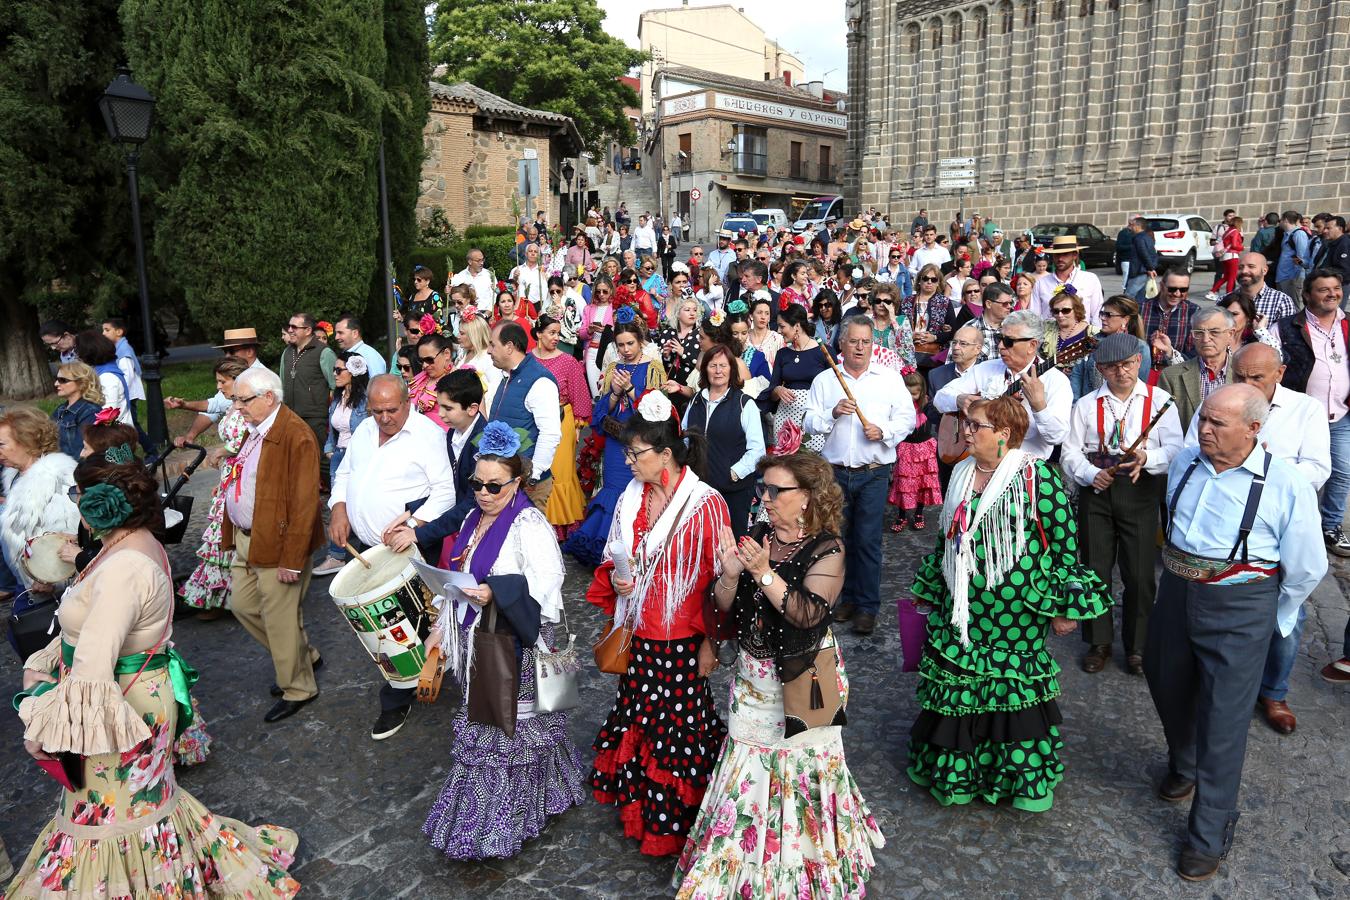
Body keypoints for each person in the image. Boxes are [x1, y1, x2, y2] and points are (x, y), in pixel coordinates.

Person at [9, 455, 300, 898]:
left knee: (107, 815)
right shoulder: (126, 544)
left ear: (97, 505)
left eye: (77, 495)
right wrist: (48, 659)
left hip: (118, 702)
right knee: (137, 806)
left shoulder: (126, 566)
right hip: (131, 692)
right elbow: (90, 632)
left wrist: (43, 719)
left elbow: (92, 667)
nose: (75, 504)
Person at [675, 451, 884, 898]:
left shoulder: (828, 547)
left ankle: (804, 868)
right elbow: (724, 605)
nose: (766, 498)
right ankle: (739, 868)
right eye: (763, 489)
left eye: (776, 491)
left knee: (806, 771)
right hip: (753, 680)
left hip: (807, 677)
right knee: (746, 770)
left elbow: (809, 614)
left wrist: (763, 572)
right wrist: (730, 574)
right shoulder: (757, 536)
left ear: (805, 497)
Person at [1145, 384, 1326, 881]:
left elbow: (1308, 567)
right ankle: (1183, 763)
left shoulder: (1286, 483)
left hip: (1243, 603)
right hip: (1178, 592)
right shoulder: (1184, 463)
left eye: (1217, 424)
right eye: (1204, 419)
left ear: (1253, 429)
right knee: (1165, 684)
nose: (1204, 429)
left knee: (1224, 721)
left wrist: (1274, 613)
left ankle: (1209, 832)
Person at [908, 396, 1110, 811]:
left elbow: (1065, 547)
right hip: (963, 607)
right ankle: (959, 775)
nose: (966, 431)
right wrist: (931, 586)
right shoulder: (962, 472)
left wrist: (1063, 608)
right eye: (967, 423)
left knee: (1011, 693)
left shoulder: (1037, 477)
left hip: (1015, 613)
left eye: (976, 426)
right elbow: (947, 535)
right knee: (960, 688)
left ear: (1005, 434)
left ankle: (1014, 780)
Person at [419, 423, 586, 859]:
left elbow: (550, 579)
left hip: (513, 645)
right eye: (477, 484)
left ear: (517, 483)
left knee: (505, 731)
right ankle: (541, 797)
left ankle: (497, 823)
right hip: (480, 639)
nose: (484, 493)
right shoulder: (474, 517)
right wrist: (443, 624)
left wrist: (498, 591)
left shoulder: (528, 523)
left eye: (495, 486)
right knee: (502, 728)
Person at [586, 393, 730, 857]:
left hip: (682, 639)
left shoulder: (705, 504)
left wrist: (711, 645)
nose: (627, 461)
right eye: (627, 453)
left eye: (635, 453)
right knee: (641, 718)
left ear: (665, 454)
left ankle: (675, 816)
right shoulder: (632, 496)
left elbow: (715, 581)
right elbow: (612, 552)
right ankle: (640, 802)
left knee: (678, 727)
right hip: (639, 633)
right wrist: (617, 577)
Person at [1180, 342, 1329, 735]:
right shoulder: (1219, 403)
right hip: (1220, 519)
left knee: (1286, 616)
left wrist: (1263, 472)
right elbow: (1189, 453)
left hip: (1277, 523)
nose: (1246, 383)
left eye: (1256, 377)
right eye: (1239, 376)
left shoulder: (1305, 410)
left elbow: (1317, 467)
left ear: (1279, 374)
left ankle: (1274, 692)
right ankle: (1215, 692)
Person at [329, 374, 456, 739]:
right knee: (385, 629)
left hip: (409, 548)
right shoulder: (366, 430)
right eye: (377, 410)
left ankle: (409, 691)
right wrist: (339, 508)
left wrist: (413, 524)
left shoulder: (428, 437)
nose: (383, 418)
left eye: (391, 410)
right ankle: (408, 685)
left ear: (408, 402)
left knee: (408, 624)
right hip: (370, 545)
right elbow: (347, 472)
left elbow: (445, 493)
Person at [1061, 333, 1183, 676]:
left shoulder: (1161, 402)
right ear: (1100, 369)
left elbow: (1176, 449)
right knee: (1096, 570)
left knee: (1141, 575)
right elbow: (1069, 450)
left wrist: (1148, 456)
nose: (1123, 372)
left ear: (1139, 362)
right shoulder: (1085, 404)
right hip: (1097, 492)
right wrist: (1088, 474)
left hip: (1140, 491)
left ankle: (1138, 646)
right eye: (1113, 367)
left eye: (1128, 364)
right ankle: (1098, 642)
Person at [217, 368, 325, 723]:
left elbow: (305, 504)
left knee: (280, 621)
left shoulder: (296, 435)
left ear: (269, 397)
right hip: (251, 539)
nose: (237, 408)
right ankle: (300, 655)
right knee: (243, 605)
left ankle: (298, 687)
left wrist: (292, 560)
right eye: (234, 400)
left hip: (277, 545)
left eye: (243, 400)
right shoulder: (258, 428)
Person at [803, 316, 916, 635]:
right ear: (841, 344)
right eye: (853, 341)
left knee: (867, 540)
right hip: (835, 474)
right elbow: (809, 422)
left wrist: (885, 431)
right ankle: (845, 599)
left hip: (874, 472)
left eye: (866, 341)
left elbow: (907, 418)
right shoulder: (826, 380)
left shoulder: (889, 379)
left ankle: (867, 606)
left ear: (873, 344)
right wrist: (832, 413)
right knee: (837, 541)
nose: (860, 347)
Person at [565, 317, 666, 566]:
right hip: (615, 443)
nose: (625, 350)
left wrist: (631, 389)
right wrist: (615, 394)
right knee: (613, 492)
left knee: (639, 493)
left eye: (630, 343)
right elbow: (601, 413)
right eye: (620, 345)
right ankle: (608, 550)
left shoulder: (653, 368)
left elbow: (657, 411)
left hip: (641, 443)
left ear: (641, 342)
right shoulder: (613, 369)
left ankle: (635, 549)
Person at [1272, 269, 1350, 556]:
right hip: (1301, 416)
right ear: (1306, 295)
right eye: (1324, 289)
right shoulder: (1285, 327)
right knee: (1301, 473)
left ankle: (1330, 526)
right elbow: (1271, 366)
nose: (1332, 294)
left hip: (1341, 413)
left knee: (1342, 474)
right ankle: (1298, 526)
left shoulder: (1347, 324)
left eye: (1336, 288)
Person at [934, 310, 1073, 460]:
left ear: (1032, 345)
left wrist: (1039, 406)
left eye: (1008, 341)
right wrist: (959, 400)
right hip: (978, 462)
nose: (1000, 346)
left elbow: (1057, 437)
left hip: (1025, 468)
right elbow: (940, 398)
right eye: (1000, 338)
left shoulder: (1056, 381)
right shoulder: (986, 368)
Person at [178, 358, 252, 615]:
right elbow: (210, 410)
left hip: (245, 476)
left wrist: (223, 450)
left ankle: (241, 595)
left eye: (223, 381)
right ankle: (219, 595)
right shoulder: (232, 405)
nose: (219, 387)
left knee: (233, 535)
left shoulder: (251, 406)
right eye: (218, 381)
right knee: (221, 535)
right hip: (229, 475)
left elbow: (251, 440)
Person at [0, 408, 80, 616]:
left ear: (27, 442)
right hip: (30, 583)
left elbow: (68, 537)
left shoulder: (55, 479)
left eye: (2, 444)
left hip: (55, 593)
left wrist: (51, 580)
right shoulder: (18, 476)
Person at [683, 345, 765, 538]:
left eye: (723, 365)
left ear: (732, 370)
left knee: (730, 541)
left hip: (733, 491)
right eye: (713, 366)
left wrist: (734, 473)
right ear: (705, 370)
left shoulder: (744, 403)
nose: (718, 371)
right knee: (699, 539)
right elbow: (685, 440)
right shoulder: (695, 400)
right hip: (698, 488)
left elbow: (757, 450)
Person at [486, 322, 561, 508]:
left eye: (492, 345)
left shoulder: (540, 381)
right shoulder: (506, 376)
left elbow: (550, 434)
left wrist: (532, 477)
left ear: (509, 347)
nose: (488, 351)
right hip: (505, 479)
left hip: (526, 484)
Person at [531, 315, 593, 539]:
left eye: (558, 333)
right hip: (535, 421)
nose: (557, 337)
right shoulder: (528, 360)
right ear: (539, 333)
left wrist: (578, 426)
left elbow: (580, 394)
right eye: (552, 333)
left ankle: (561, 523)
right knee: (538, 468)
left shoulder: (568, 361)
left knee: (560, 470)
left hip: (562, 419)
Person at [312, 353, 372, 576]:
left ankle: (338, 553)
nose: (334, 374)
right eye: (334, 370)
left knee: (350, 504)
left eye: (339, 370)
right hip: (338, 455)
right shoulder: (337, 398)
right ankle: (337, 554)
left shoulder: (365, 400)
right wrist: (329, 448)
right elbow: (333, 426)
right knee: (337, 504)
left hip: (356, 456)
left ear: (353, 373)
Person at [166, 327, 272, 447]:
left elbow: (259, 431)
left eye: (231, 351)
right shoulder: (235, 379)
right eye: (225, 351)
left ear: (250, 351)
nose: (227, 356)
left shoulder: (262, 380)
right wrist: (190, 436)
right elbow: (216, 406)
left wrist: (222, 452)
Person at [1158, 307, 1236, 432]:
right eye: (1199, 333)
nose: (1205, 339)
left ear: (1230, 334)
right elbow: (1161, 425)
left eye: (1214, 332)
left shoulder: (1243, 373)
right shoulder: (1171, 376)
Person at [766, 304, 830, 454]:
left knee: (811, 465)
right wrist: (778, 390)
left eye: (782, 326)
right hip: (785, 419)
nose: (779, 331)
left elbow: (834, 387)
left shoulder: (823, 351)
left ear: (796, 326)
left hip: (814, 419)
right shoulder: (783, 353)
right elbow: (772, 389)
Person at [889, 370, 942, 533]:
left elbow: (937, 416)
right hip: (906, 448)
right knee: (904, 483)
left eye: (915, 393)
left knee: (922, 483)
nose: (912, 397)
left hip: (925, 448)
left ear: (922, 391)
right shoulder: (898, 406)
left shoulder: (927, 404)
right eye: (908, 393)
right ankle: (902, 514)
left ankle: (919, 513)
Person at [1070, 295, 1152, 399]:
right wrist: (1075, 404)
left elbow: (1139, 384)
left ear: (1125, 320)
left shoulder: (1140, 347)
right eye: (1102, 314)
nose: (1103, 318)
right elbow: (1077, 376)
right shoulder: (1090, 342)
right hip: (1090, 406)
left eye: (1108, 315)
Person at [279, 311, 337, 453]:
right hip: (290, 418)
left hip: (315, 419)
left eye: (294, 327)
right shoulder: (287, 352)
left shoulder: (324, 352)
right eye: (289, 326)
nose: (290, 330)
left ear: (308, 330)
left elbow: (336, 385)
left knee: (319, 460)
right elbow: (281, 384)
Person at [1031, 236, 1105, 325]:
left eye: (1065, 254)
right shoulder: (1041, 283)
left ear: (1075, 255)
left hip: (1083, 335)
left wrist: (1096, 336)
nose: (1060, 259)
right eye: (1057, 254)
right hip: (1048, 336)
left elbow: (1097, 314)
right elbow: (1034, 316)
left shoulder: (1090, 279)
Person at [655, 295, 702, 413]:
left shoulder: (700, 334)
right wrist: (666, 356)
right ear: (677, 313)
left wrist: (683, 353)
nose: (692, 313)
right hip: (668, 384)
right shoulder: (667, 333)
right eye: (687, 310)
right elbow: (659, 364)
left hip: (689, 386)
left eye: (695, 310)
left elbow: (702, 362)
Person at [75, 330, 132, 426]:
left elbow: (107, 417)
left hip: (114, 435)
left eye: (77, 350)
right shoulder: (107, 370)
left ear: (88, 352)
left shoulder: (107, 378)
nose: (76, 355)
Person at [49, 361, 103, 459]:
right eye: (56, 379)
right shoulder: (61, 409)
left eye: (62, 380)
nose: (56, 383)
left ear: (82, 383)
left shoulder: (91, 412)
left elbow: (81, 452)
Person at [1043, 286, 1098, 373]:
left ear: (1077, 309)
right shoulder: (1046, 328)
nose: (1060, 315)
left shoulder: (1093, 333)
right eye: (1056, 311)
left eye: (1065, 310)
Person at [409, 332, 456, 429]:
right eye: (421, 360)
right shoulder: (421, 378)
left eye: (429, 360)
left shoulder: (459, 379)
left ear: (446, 354)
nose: (425, 365)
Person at [870, 282, 918, 369]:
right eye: (878, 301)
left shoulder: (902, 320)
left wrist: (893, 320)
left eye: (887, 302)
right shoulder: (867, 323)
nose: (882, 305)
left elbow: (908, 352)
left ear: (894, 304)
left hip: (896, 370)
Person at [401, 264, 447, 331]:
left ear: (427, 281)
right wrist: (402, 319)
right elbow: (410, 319)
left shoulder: (435, 296)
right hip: (415, 335)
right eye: (414, 279)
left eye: (419, 280)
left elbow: (438, 319)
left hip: (430, 336)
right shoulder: (412, 297)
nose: (415, 282)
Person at [1125, 217, 1160, 302]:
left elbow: (1144, 254)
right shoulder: (1147, 237)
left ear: (1138, 226)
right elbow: (1154, 254)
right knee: (1140, 297)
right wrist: (1151, 267)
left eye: (1132, 225)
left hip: (1139, 271)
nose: (1130, 227)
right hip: (1144, 271)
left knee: (1128, 296)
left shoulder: (1138, 238)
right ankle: (1139, 313)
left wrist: (1150, 268)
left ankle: (1125, 313)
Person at [451, 248, 497, 313]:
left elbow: (495, 295)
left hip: (486, 314)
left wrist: (488, 312)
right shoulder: (459, 277)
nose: (482, 263)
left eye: (483, 260)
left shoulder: (489, 275)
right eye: (478, 261)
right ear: (470, 261)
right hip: (465, 315)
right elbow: (454, 298)